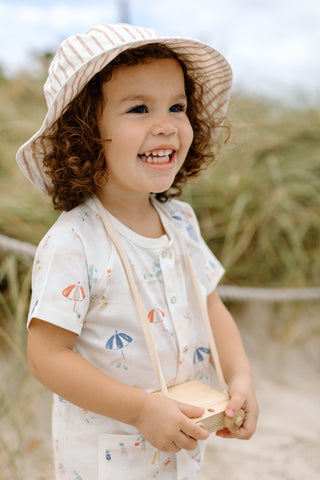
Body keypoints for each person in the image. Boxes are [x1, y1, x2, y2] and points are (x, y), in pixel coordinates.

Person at [17, 23, 258, 479]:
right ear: (86, 133)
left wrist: (240, 376)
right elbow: (45, 355)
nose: (165, 124)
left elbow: (210, 305)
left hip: (180, 446)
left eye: (177, 106)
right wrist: (139, 410)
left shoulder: (181, 223)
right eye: (139, 108)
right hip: (105, 455)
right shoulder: (75, 241)